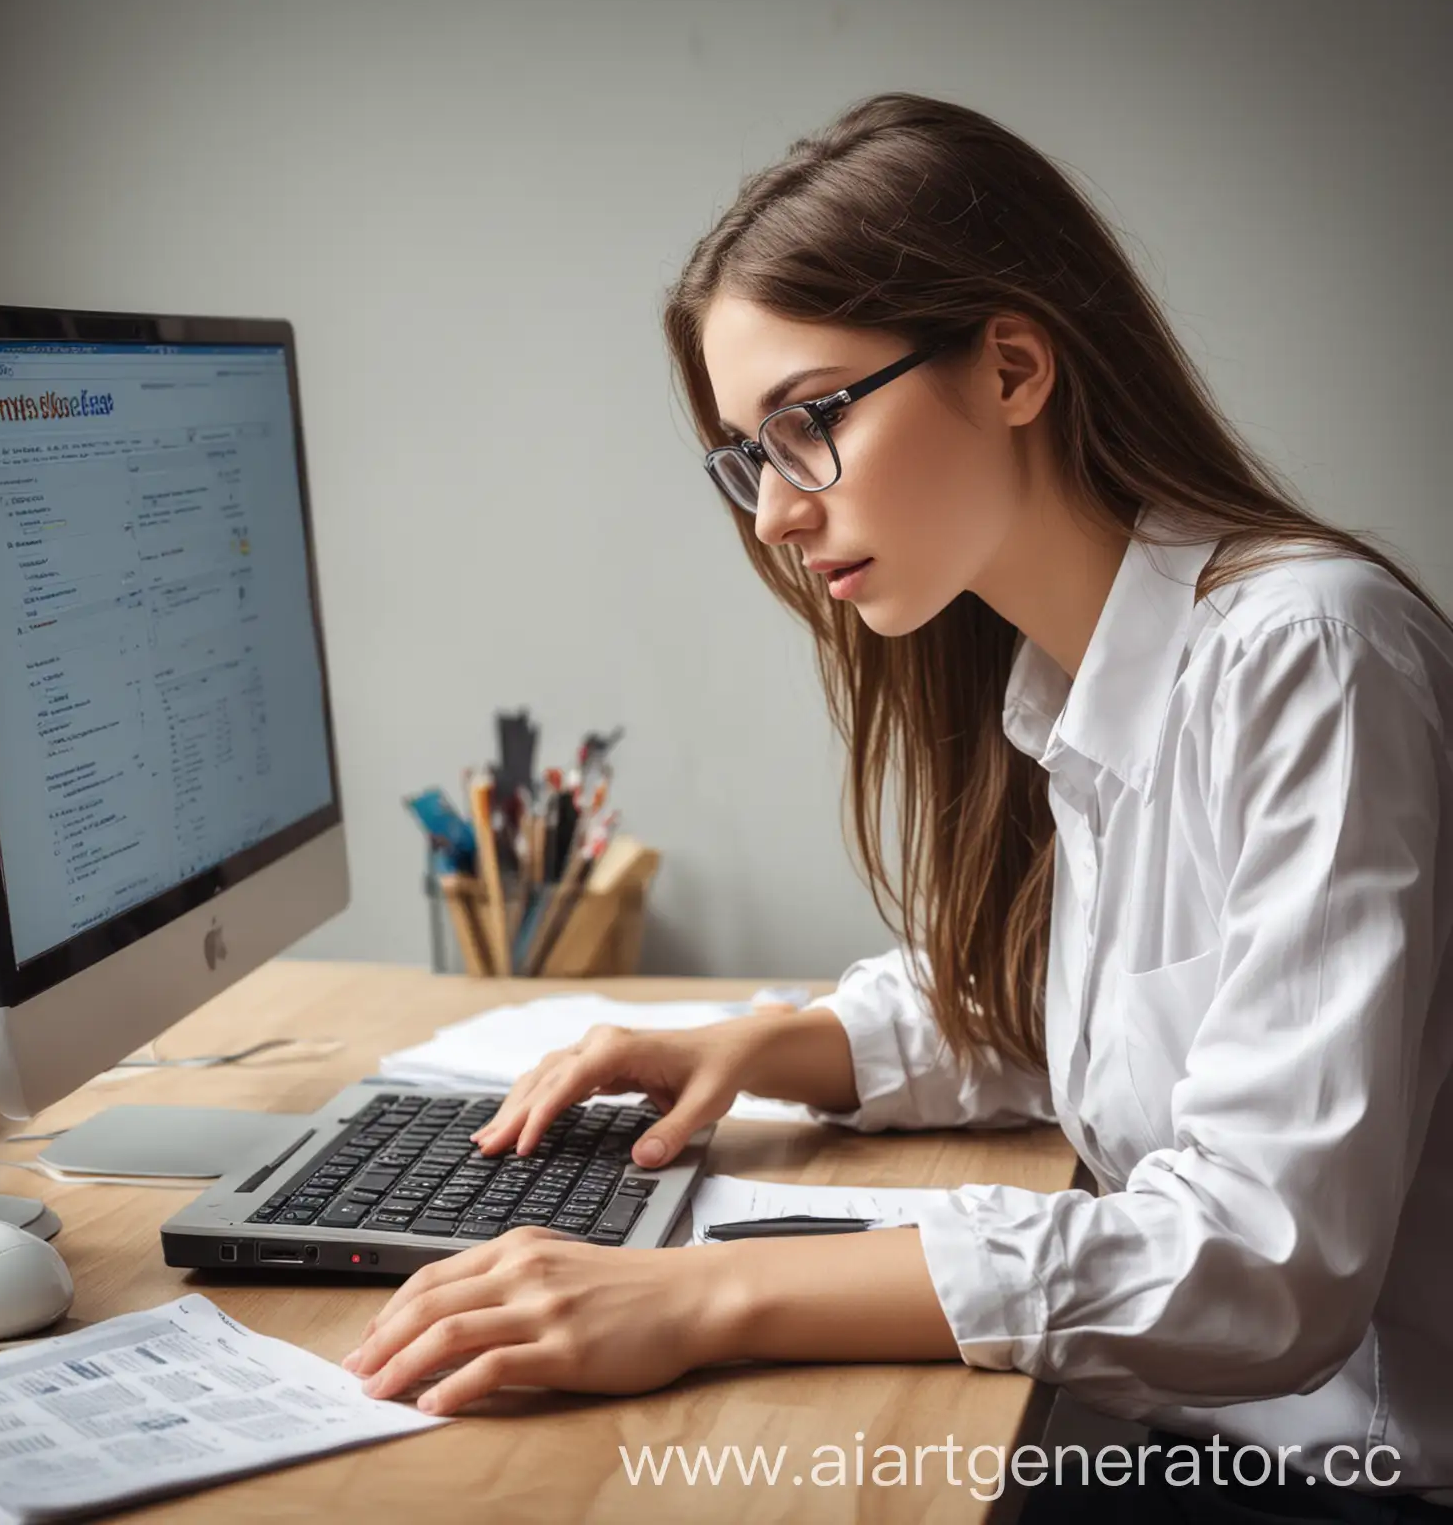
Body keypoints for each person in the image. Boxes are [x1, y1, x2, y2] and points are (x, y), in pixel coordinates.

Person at [341, 92, 1453, 1519]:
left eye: (809, 424)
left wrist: (704, 1296)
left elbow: (1264, 1265)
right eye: (748, 454)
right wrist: (765, 1045)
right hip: (1212, 1441)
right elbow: (1092, 1010)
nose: (775, 514)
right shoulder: (1071, 686)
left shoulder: (1310, 660)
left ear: (1010, 367)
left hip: (1356, 1477)